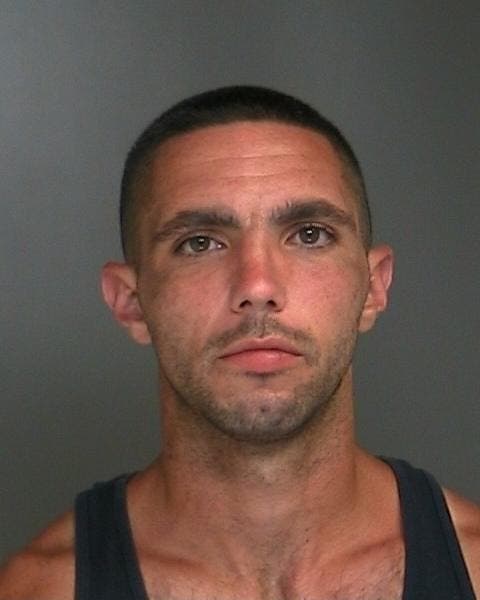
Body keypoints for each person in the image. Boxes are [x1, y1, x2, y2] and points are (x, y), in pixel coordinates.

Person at [1, 85, 479, 600]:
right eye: (199, 243)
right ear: (130, 302)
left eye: (310, 234)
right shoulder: (37, 589)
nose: (257, 286)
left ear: (374, 287)